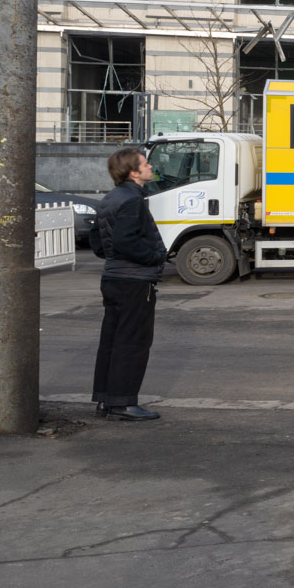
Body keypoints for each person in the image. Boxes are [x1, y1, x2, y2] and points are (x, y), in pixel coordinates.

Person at [94, 146, 168, 422]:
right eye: (145, 164)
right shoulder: (132, 200)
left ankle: (107, 400)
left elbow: (98, 242)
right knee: (133, 342)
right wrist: (155, 257)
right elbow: (127, 242)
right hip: (134, 280)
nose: (150, 167)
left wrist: (116, 255)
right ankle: (124, 403)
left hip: (113, 278)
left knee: (112, 341)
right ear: (134, 172)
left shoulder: (111, 198)